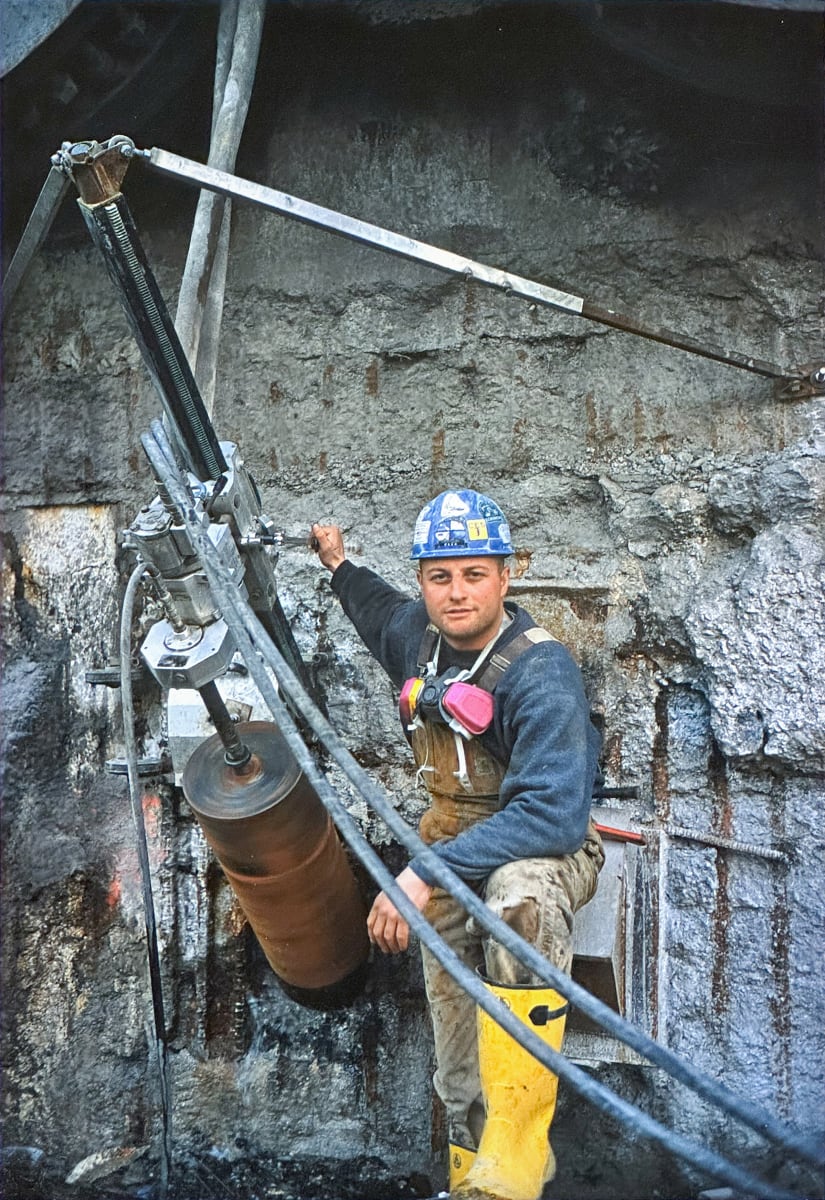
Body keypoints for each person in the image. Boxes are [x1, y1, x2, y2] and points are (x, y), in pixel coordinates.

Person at [311, 489, 604, 1200]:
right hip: (448, 834)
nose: (457, 592)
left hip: (542, 843)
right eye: (439, 576)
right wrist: (338, 564)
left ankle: (515, 1158)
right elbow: (372, 607)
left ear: (506, 576)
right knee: (451, 1002)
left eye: (474, 574)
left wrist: (422, 871)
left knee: (516, 904)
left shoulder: (541, 672)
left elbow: (552, 817)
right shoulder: (415, 636)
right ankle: (468, 1166)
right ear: (423, 582)